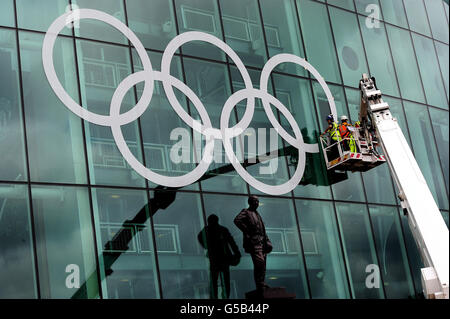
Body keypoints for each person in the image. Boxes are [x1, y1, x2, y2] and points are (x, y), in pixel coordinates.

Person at [234, 196, 273, 294]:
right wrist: (247, 231)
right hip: (253, 242)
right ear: (250, 202)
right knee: (259, 263)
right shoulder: (246, 212)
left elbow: (262, 230)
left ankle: (262, 283)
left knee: (263, 264)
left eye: (258, 201)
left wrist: (267, 241)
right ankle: (259, 284)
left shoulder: (258, 214)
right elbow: (237, 220)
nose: (257, 203)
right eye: (255, 201)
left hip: (262, 242)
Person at [198, 214, 241, 299]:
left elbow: (200, 237)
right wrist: (237, 253)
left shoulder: (207, 230)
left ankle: (215, 297)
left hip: (215, 258)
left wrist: (206, 246)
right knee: (224, 280)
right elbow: (231, 242)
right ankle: (225, 296)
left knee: (214, 280)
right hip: (223, 258)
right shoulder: (222, 229)